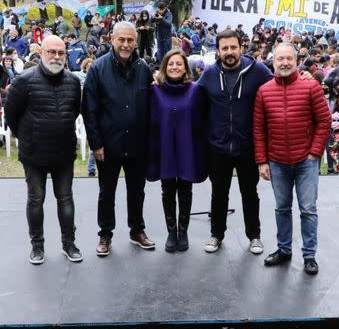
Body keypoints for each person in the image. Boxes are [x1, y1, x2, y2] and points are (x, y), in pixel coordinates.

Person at [253, 42, 330, 275]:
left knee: (308, 210)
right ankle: (284, 250)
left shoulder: (311, 87)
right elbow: (259, 129)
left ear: (297, 61)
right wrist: (262, 161)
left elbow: (324, 122)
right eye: (280, 59)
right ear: (273, 62)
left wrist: (315, 152)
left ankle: (309, 255)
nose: (284, 63)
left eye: (289, 58)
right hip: (277, 161)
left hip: (306, 161)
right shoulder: (264, 91)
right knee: (282, 209)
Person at [6, 35, 83, 264]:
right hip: (34, 154)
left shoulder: (73, 81)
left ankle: (69, 244)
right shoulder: (24, 81)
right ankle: (37, 246)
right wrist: (29, 137)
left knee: (66, 199)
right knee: (35, 199)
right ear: (42, 53)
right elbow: (12, 115)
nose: (57, 56)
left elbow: (74, 111)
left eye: (61, 52)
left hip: (63, 153)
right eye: (52, 52)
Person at [82, 21, 155, 256]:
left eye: (130, 40)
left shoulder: (144, 69)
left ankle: (137, 230)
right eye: (121, 39)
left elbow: (154, 104)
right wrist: (96, 144)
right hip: (108, 144)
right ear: (112, 39)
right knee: (107, 192)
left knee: (137, 190)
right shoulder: (97, 69)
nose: (125, 44)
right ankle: (105, 234)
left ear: (135, 42)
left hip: (137, 143)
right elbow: (89, 110)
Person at [197, 29, 273, 254]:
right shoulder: (209, 74)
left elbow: (279, 87)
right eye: (224, 48)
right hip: (218, 147)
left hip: (247, 146)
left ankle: (254, 236)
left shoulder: (258, 71)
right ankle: (216, 234)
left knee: (250, 193)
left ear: (241, 47)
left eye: (233, 47)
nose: (229, 52)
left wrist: (303, 76)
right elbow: (192, 99)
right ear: (218, 51)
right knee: (218, 193)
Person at [147, 49, 207, 253]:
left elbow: (202, 118)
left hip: (187, 147)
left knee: (185, 190)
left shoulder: (196, 90)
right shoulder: (155, 90)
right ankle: (171, 232)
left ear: (185, 67)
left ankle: (184, 231)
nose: (174, 67)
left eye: (179, 64)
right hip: (164, 147)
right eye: (171, 64)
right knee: (167, 191)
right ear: (164, 66)